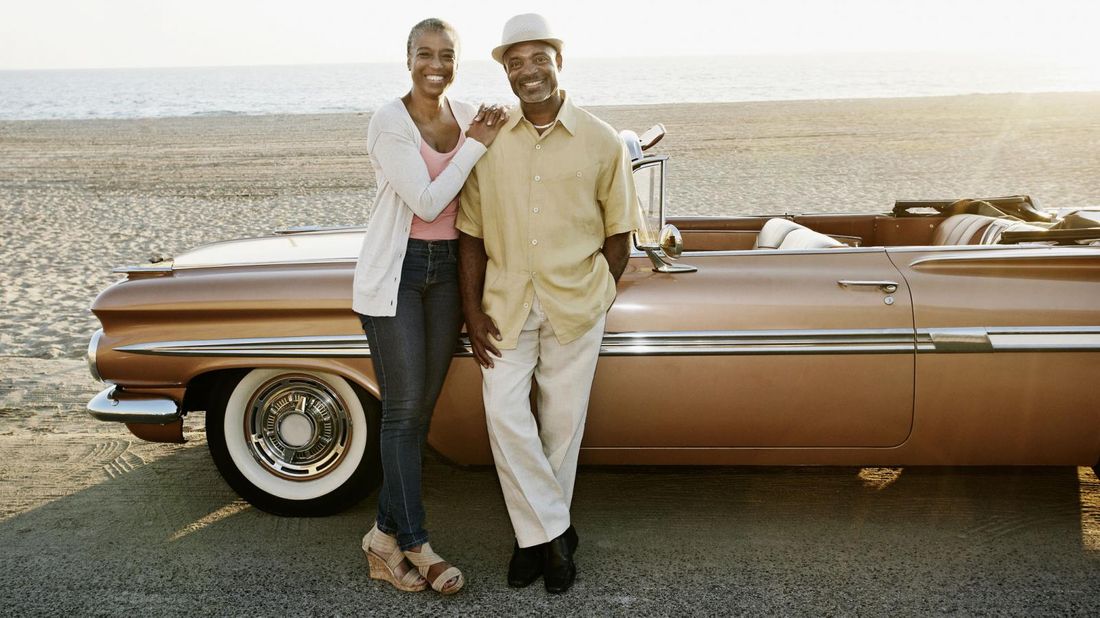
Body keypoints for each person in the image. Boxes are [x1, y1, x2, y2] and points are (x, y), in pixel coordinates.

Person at [457, 13, 637, 594]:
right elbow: (470, 234)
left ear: (559, 61)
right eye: (515, 62)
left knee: (561, 426)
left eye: (538, 59)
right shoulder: (490, 142)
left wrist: (599, 291)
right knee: (506, 418)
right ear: (506, 71)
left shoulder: (601, 139)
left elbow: (619, 232)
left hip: (575, 305)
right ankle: (555, 535)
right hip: (503, 305)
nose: (527, 71)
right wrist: (471, 309)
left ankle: (530, 540)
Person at [352, 17, 506, 595]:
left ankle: (382, 539)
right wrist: (475, 147)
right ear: (408, 57)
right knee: (402, 411)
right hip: (398, 272)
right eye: (425, 53)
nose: (435, 64)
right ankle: (415, 542)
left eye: (446, 54)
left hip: (448, 276)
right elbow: (426, 196)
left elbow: (511, 156)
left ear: (456, 60)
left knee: (419, 415)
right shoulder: (390, 121)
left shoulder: (467, 116)